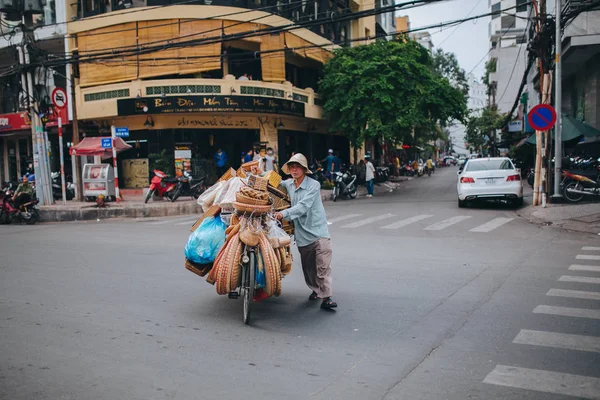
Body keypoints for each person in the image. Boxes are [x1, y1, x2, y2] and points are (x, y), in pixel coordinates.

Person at [274, 153, 337, 310]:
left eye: (297, 167)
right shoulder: (289, 184)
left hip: (319, 231)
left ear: (304, 169)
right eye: (292, 167)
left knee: (323, 267)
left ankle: (326, 297)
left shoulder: (313, 185)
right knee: (309, 268)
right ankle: (316, 289)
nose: (294, 170)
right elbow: (272, 182)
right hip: (302, 234)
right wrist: (257, 173)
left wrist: (283, 213)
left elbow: (303, 207)